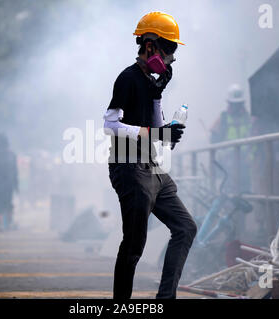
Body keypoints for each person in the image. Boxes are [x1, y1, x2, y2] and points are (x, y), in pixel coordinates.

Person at [103, 12, 197, 299]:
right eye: (170, 49)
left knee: (185, 227)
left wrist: (159, 99)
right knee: (134, 246)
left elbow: (155, 128)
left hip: (152, 167)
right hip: (129, 168)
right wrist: (155, 134)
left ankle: (165, 299)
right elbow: (110, 124)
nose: (172, 58)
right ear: (150, 45)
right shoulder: (128, 78)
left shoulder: (149, 81)